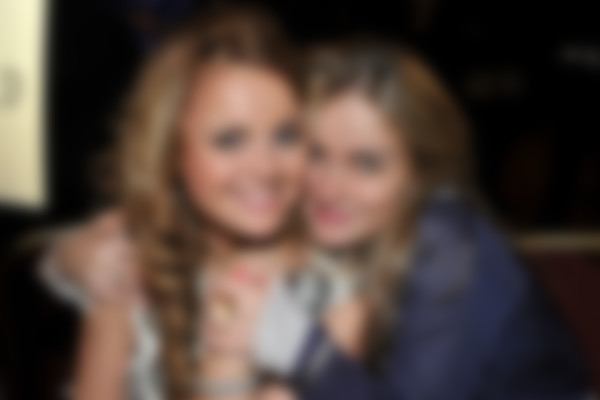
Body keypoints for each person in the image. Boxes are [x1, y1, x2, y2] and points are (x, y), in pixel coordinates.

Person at [43, 32, 591, 400]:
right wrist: (65, 260)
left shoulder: (445, 247)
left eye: (367, 163)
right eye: (314, 149)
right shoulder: (146, 253)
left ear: (420, 177)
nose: (328, 186)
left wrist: (284, 342)